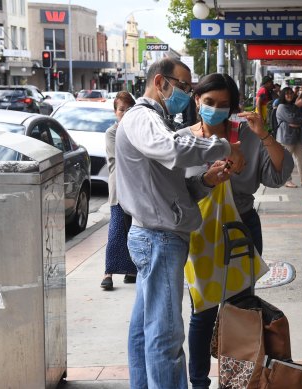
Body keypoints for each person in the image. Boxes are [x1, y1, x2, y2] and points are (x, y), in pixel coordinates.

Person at [115, 57, 244, 389]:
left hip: (160, 234)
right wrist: (223, 144)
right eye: (185, 87)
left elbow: (173, 187)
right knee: (166, 335)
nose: (188, 94)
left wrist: (208, 180)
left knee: (146, 329)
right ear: (161, 82)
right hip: (158, 238)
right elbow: (171, 149)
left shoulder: (157, 119)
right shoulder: (142, 118)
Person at [178, 73, 293, 389]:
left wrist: (265, 134)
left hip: (241, 229)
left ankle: (240, 381)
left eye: (223, 104)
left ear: (232, 107)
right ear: (197, 101)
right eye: (209, 102)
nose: (214, 109)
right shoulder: (182, 139)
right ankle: (199, 382)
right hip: (200, 235)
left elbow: (279, 174)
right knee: (203, 312)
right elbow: (172, 191)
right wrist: (207, 181)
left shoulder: (248, 136)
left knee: (241, 311)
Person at [101, 91, 137, 291]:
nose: (124, 112)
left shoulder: (136, 130)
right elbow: (121, 158)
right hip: (118, 187)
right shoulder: (112, 133)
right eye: (121, 109)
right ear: (115, 112)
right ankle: (108, 273)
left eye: (128, 109)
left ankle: (131, 271)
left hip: (134, 188)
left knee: (133, 229)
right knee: (116, 230)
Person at [276, 86, 302, 188]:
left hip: (297, 137)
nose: (289, 95)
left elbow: (297, 119)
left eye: (291, 93)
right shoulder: (281, 107)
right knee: (287, 160)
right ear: (283, 95)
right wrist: (301, 122)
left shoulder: (293, 106)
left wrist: (298, 122)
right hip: (286, 137)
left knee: (301, 159)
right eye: (287, 94)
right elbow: (292, 120)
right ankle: (287, 180)